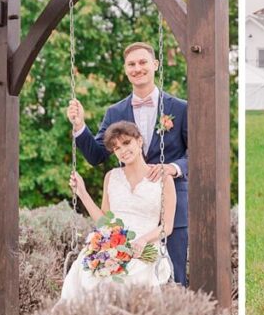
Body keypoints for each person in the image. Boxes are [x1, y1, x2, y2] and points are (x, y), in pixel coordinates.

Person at [0, 121, 175, 315]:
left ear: (139, 141)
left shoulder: (162, 178)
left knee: (130, 279)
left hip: (143, 248)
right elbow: (105, 221)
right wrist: (82, 192)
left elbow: (166, 226)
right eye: (116, 148)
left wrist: (141, 241)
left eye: (126, 143)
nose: (122, 151)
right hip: (111, 243)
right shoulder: (111, 178)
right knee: (86, 270)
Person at [68, 42, 190, 284]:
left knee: (174, 282)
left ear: (155, 65)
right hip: (127, 220)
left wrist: (173, 168)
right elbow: (96, 155)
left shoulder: (180, 108)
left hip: (170, 204)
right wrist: (80, 126)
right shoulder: (115, 112)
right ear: (125, 70)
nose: (138, 68)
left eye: (143, 62)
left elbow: (198, 156)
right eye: (131, 64)